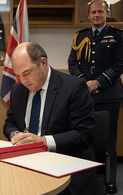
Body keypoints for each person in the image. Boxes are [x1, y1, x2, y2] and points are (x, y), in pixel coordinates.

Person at [4, 42, 96, 194]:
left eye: (27, 73)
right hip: (27, 165)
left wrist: (43, 141)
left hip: (65, 167)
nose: (23, 81)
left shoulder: (73, 87)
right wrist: (16, 136)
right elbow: (10, 123)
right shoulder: (18, 90)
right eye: (18, 75)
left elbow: (83, 135)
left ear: (43, 63)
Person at [68, 0, 123, 193]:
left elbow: (119, 65)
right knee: (84, 137)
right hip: (84, 96)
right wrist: (86, 83)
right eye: (94, 12)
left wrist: (97, 82)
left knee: (109, 140)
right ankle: (88, 176)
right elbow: (72, 64)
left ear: (107, 13)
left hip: (109, 96)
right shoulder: (80, 36)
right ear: (89, 15)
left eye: (101, 11)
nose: (97, 15)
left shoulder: (118, 36)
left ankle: (110, 179)